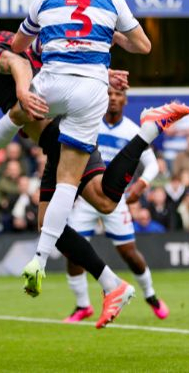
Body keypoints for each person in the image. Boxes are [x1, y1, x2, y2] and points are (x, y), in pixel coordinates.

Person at [0, 0, 188, 304]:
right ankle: (45, 262)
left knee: (22, 111)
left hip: (54, 85)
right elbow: (143, 46)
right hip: (92, 90)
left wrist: (50, 42)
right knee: (74, 188)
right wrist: (110, 38)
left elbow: (20, 47)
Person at [64, 86, 169, 323]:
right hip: (86, 198)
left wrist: (140, 185)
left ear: (125, 100)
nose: (113, 98)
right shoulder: (91, 124)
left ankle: (151, 296)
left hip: (115, 199)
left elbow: (152, 164)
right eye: (109, 94)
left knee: (129, 253)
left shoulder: (132, 130)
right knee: (73, 251)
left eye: (118, 95)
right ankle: (82, 305)